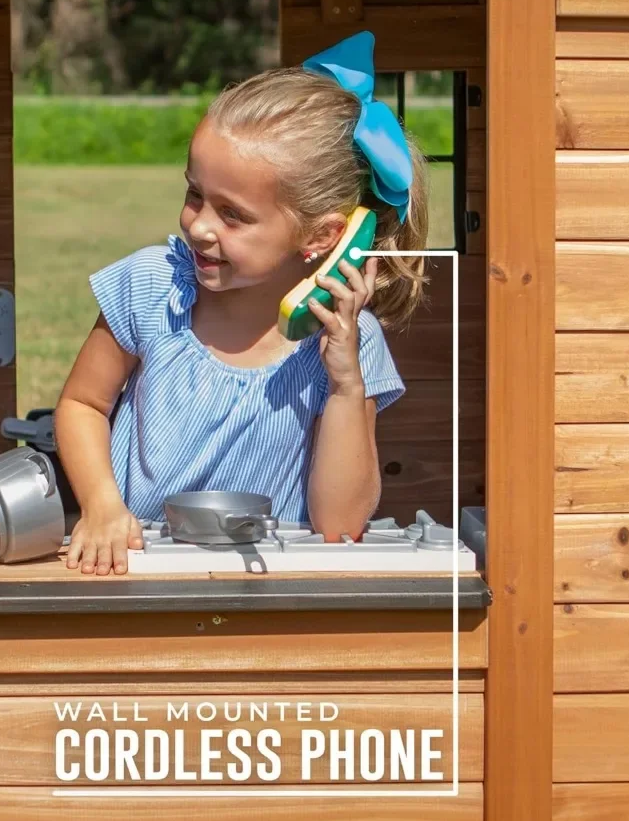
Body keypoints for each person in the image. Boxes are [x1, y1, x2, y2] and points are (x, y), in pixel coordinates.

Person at [55, 31, 430, 575]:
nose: (200, 226)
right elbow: (82, 405)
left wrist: (346, 382)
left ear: (324, 236)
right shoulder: (153, 287)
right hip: (139, 575)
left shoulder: (348, 341)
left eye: (232, 215)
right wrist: (102, 505)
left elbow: (340, 524)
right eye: (193, 195)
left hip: (271, 596)